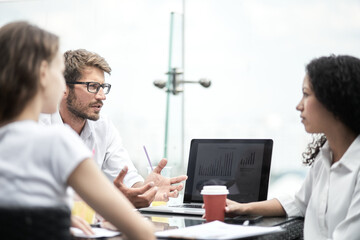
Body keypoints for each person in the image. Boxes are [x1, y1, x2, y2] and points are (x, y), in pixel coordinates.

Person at [0, 21, 155, 240]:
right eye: (59, 71)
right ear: (44, 74)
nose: (101, 96)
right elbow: (142, 232)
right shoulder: (56, 141)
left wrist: (56, 216)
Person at [223, 55, 360, 239]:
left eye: (306, 94)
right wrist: (243, 208)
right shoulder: (325, 156)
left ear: (334, 100)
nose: (298, 106)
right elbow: (300, 202)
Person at [40, 49, 187, 208]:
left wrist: (144, 189)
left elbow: (126, 178)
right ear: (64, 88)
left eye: (103, 87)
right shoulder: (38, 128)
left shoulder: (103, 127)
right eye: (93, 86)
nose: (102, 96)